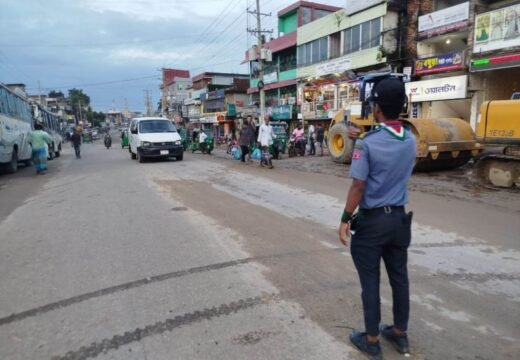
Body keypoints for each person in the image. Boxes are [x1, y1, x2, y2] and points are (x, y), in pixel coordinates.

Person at [338, 78, 416, 360]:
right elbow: (391, 142)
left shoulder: (367, 144)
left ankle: (371, 340)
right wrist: (362, 137)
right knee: (400, 279)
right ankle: (400, 333)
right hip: (398, 221)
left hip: (372, 223)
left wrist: (345, 218)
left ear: (378, 107)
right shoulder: (410, 138)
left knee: (370, 282)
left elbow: (358, 186)